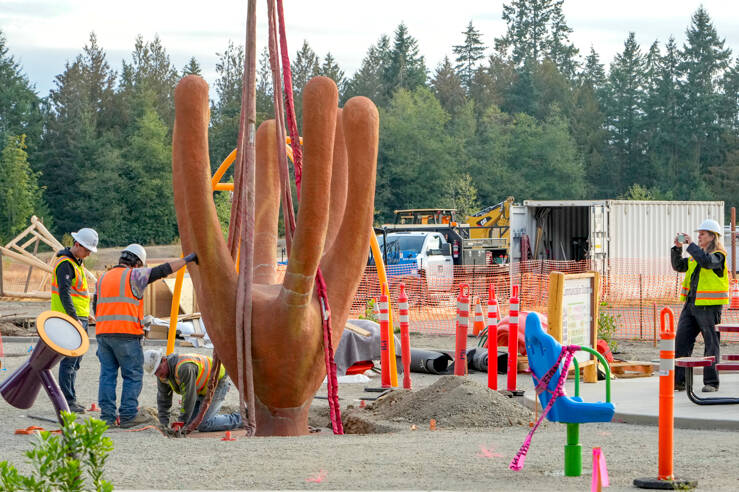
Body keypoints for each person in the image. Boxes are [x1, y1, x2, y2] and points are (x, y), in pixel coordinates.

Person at [93, 245, 198, 428]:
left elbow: (96, 306)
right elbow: (162, 271)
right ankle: (127, 415)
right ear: (137, 263)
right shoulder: (134, 275)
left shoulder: (103, 278)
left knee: (107, 376)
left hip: (103, 334)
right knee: (133, 375)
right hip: (126, 334)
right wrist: (187, 260)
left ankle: (107, 418)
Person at [671, 219, 728, 393]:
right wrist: (677, 249)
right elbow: (678, 265)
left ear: (713, 237)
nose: (699, 236)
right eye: (698, 234)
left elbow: (706, 262)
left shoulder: (719, 256)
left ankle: (711, 382)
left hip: (709, 308)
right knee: (681, 342)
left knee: (711, 344)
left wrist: (691, 245)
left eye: (702, 234)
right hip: (691, 306)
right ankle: (680, 382)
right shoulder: (697, 257)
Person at [51, 227, 98, 413]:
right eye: (86, 250)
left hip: (79, 317)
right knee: (69, 362)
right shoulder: (65, 263)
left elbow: (78, 294)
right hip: (69, 319)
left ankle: (70, 399)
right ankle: (67, 402)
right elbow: (64, 293)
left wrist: (86, 314)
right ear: (77, 244)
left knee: (75, 361)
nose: (87, 254)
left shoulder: (77, 262)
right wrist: (74, 318)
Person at [143, 350, 242, 433]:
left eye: (159, 369)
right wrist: (163, 424)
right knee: (191, 422)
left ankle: (244, 417)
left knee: (204, 424)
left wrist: (180, 423)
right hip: (201, 389)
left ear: (164, 360)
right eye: (155, 373)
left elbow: (189, 397)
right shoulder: (162, 375)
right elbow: (163, 400)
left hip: (218, 383)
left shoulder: (184, 368)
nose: (159, 374)